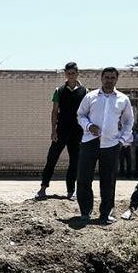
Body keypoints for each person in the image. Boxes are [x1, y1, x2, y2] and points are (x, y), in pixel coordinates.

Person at [75, 67, 134, 224]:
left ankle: (105, 213)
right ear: (101, 79)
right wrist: (88, 126)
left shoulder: (123, 99)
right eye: (106, 77)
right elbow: (80, 115)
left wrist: (121, 140)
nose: (109, 80)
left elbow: (129, 121)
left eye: (112, 78)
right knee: (83, 179)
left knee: (108, 180)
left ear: (116, 79)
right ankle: (85, 212)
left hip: (111, 144)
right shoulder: (90, 96)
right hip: (89, 142)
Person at [37, 62, 88, 200]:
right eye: (68, 73)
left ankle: (71, 191)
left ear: (77, 73)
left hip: (77, 132)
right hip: (61, 130)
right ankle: (43, 188)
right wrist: (53, 131)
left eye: (73, 73)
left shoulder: (85, 91)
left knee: (75, 162)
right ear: (65, 74)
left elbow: (87, 112)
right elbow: (54, 112)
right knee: (51, 158)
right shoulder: (59, 91)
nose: (70, 75)